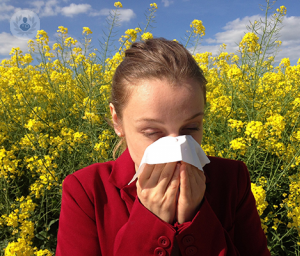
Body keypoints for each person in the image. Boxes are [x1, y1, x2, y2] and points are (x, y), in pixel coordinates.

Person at [56, 38, 271, 256]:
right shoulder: (87, 191)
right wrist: (150, 221)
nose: (177, 149)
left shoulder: (232, 179)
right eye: (152, 132)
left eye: (191, 129)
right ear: (117, 121)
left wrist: (196, 217)